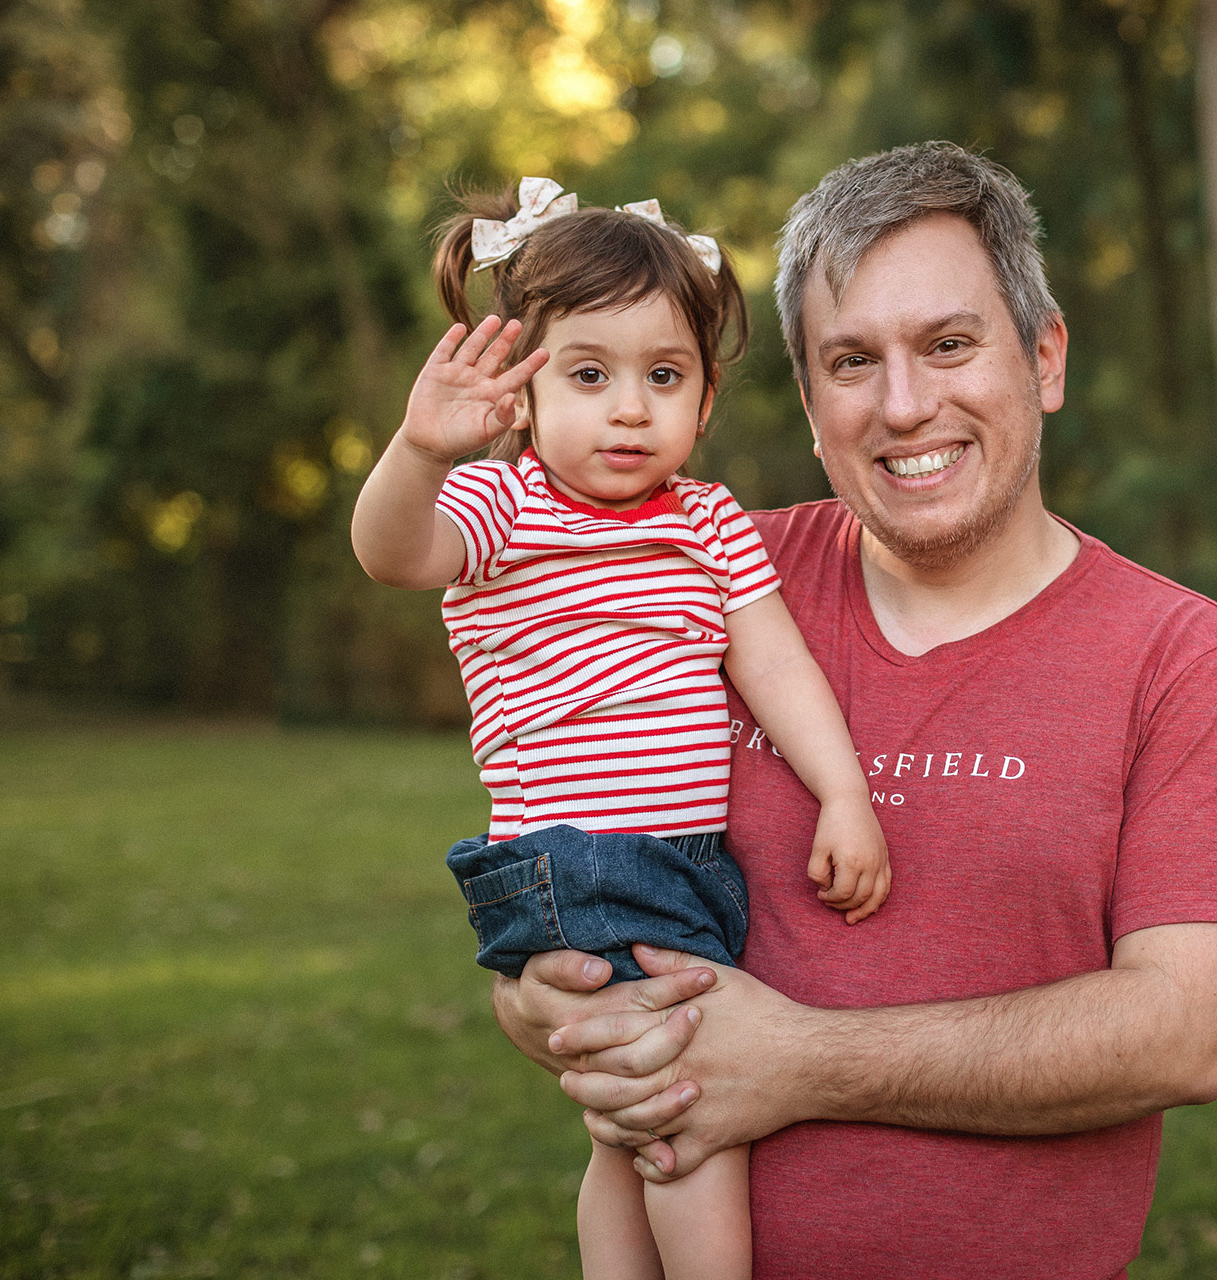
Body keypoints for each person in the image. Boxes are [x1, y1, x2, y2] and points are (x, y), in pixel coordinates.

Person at [492, 143, 1217, 1279]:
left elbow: (1189, 1032)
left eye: (950, 344)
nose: (905, 405)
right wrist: (544, 1002)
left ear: (1045, 357)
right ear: (809, 403)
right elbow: (555, 851)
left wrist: (803, 1060)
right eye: (853, 361)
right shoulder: (693, 576)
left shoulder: (1184, 660)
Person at [349, 178, 890, 1280]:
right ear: (523, 392)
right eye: (589, 375)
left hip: (682, 863)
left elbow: (772, 663)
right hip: (579, 859)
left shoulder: (708, 521)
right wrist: (417, 450)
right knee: (692, 1110)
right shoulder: (505, 506)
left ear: (705, 398)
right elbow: (391, 554)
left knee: (629, 1124)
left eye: (664, 376)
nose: (631, 409)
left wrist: (843, 792)